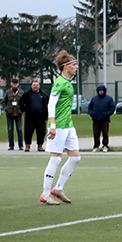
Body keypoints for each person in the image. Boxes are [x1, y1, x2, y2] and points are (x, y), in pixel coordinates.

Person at [39, 50, 81, 205]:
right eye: (74, 65)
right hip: (58, 127)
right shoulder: (59, 83)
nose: (76, 67)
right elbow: (51, 104)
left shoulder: (68, 83)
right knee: (55, 159)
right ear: (65, 67)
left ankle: (58, 189)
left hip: (68, 126)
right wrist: (52, 125)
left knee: (75, 157)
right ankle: (45, 194)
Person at [18, 80, 49, 152]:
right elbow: (21, 102)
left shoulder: (43, 95)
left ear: (39, 86)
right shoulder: (27, 94)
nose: (35, 86)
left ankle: (40, 146)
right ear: (31, 86)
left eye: (37, 85)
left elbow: (48, 104)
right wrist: (23, 110)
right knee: (28, 131)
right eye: (34, 85)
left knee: (41, 132)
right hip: (30, 117)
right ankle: (27, 145)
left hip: (41, 117)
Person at [88, 84, 116, 152]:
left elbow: (112, 107)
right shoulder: (94, 99)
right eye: (99, 91)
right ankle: (96, 146)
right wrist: (92, 114)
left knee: (105, 133)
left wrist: (107, 114)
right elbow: (90, 107)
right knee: (96, 133)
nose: (101, 92)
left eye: (102, 90)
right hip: (96, 119)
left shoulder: (109, 99)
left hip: (105, 119)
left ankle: (105, 146)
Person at [3, 78, 24, 151]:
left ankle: (21, 145)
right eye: (13, 83)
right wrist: (6, 108)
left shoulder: (21, 92)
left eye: (16, 83)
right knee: (10, 129)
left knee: (20, 129)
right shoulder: (8, 92)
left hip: (18, 113)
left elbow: (24, 102)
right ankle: (11, 145)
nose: (15, 85)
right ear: (11, 84)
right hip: (10, 114)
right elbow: (3, 102)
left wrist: (23, 110)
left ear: (18, 84)